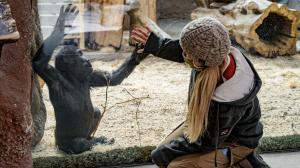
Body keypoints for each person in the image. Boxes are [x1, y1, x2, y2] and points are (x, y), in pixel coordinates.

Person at [131, 17, 269, 168]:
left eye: (186, 53)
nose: (183, 54)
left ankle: (242, 161)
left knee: (173, 165)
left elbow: (207, 141)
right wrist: (155, 45)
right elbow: (183, 49)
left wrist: (167, 153)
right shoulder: (214, 55)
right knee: (161, 156)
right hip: (206, 126)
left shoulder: (230, 98)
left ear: (199, 61)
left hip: (235, 142)